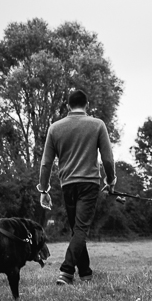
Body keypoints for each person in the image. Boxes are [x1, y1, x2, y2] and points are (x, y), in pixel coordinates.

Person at [36, 88, 115, 285]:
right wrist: (110, 180)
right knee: (80, 229)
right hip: (89, 183)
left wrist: (44, 190)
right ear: (86, 105)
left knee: (77, 229)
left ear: (68, 105)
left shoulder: (55, 128)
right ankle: (66, 271)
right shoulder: (97, 125)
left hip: (68, 185)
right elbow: (107, 158)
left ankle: (86, 273)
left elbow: (46, 164)